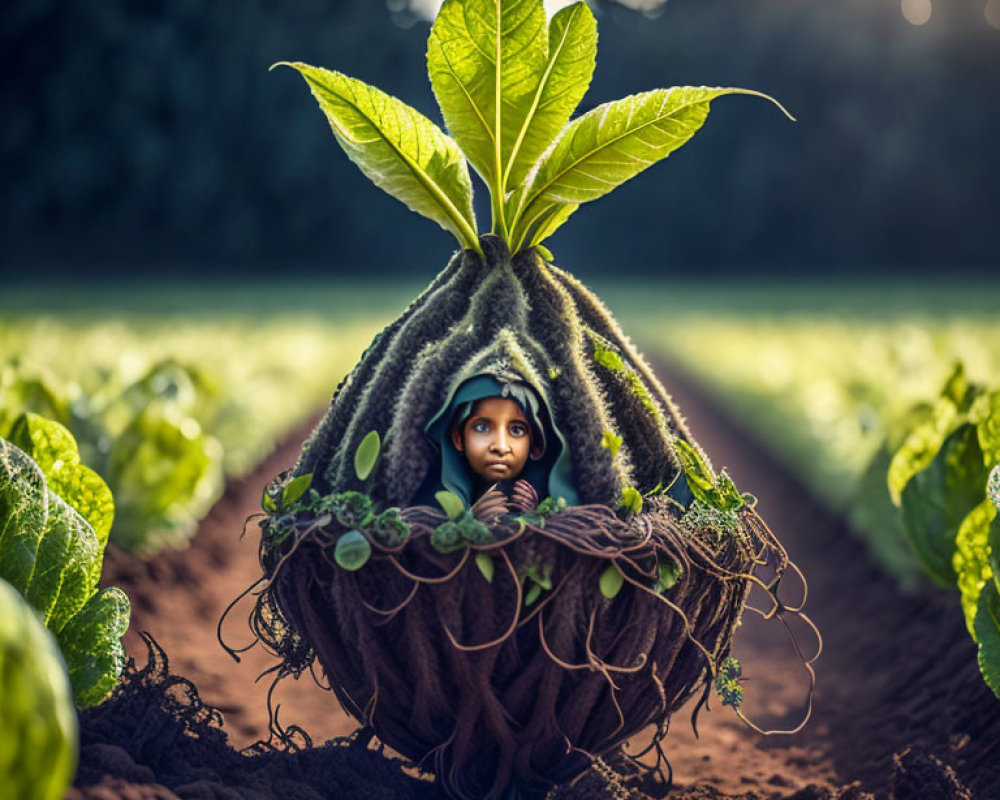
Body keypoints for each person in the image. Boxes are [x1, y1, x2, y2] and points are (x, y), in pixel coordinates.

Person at [419, 368, 578, 508]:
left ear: (535, 445)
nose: (501, 447)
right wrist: (470, 523)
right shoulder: (430, 508)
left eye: (517, 430)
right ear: (458, 439)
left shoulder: (556, 504)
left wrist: (537, 515)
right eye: (482, 428)